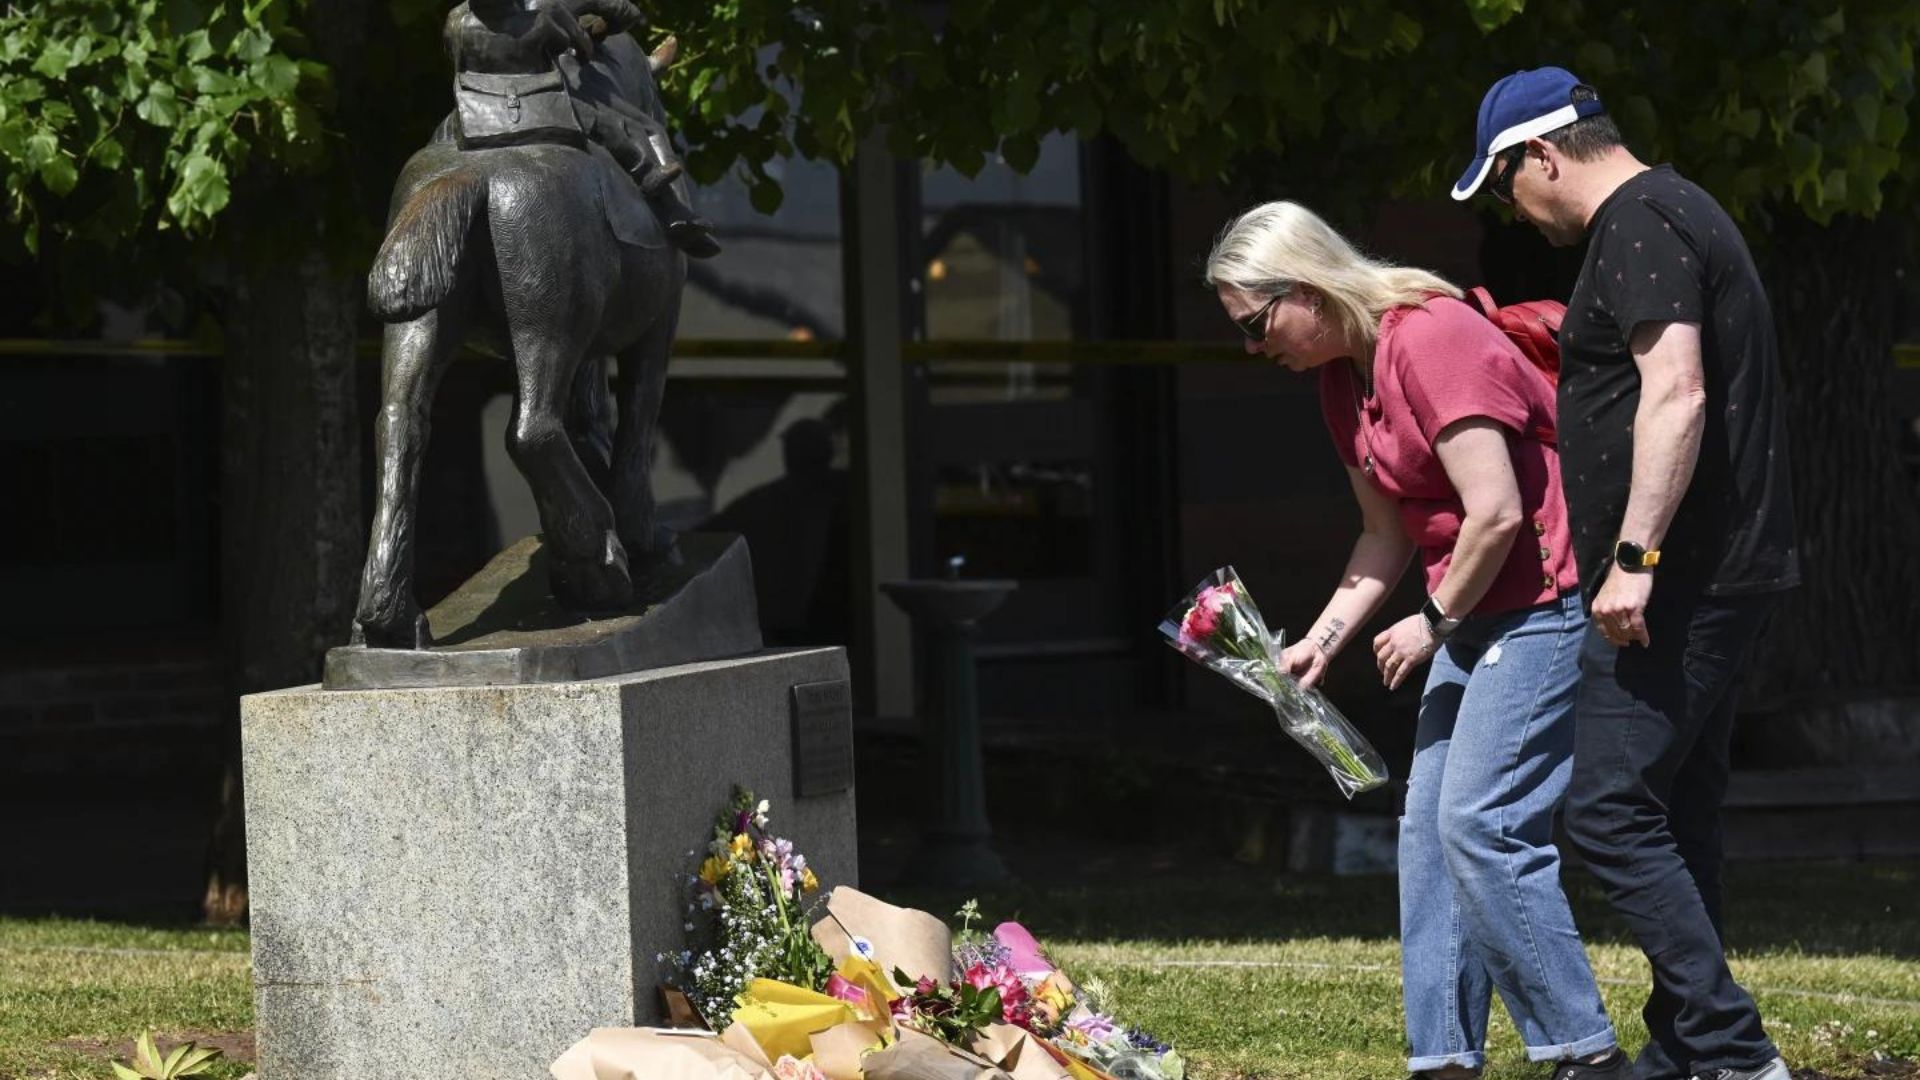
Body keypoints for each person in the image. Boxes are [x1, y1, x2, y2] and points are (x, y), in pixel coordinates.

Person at [1206, 202, 1624, 1080]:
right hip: (1472, 615)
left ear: (1308, 288)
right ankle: (1442, 1061)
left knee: (1482, 824)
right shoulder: (1340, 378)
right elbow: (1384, 534)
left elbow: (1499, 511)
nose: (1254, 347)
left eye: (1256, 324)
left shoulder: (1426, 337)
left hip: (1543, 602)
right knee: (1429, 833)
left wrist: (1434, 624)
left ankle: (1586, 1054)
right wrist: (1319, 643)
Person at [1451, 67, 1799, 1080]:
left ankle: (1735, 1056)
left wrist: (1634, 562)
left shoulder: (1641, 222)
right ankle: (1692, 1049)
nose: (1512, 211)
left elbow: (1677, 393)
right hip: (1718, 574)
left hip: (1680, 581)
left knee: (1606, 809)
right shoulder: (1674, 210)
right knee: (1675, 810)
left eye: (1503, 184)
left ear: (1542, 156)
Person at [447, 0, 720, 257]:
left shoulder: (456, 20)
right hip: (541, 99)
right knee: (623, 127)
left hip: (479, 108)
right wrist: (588, 31)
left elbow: (456, 57)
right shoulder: (541, 17)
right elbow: (592, 35)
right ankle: (669, 203)